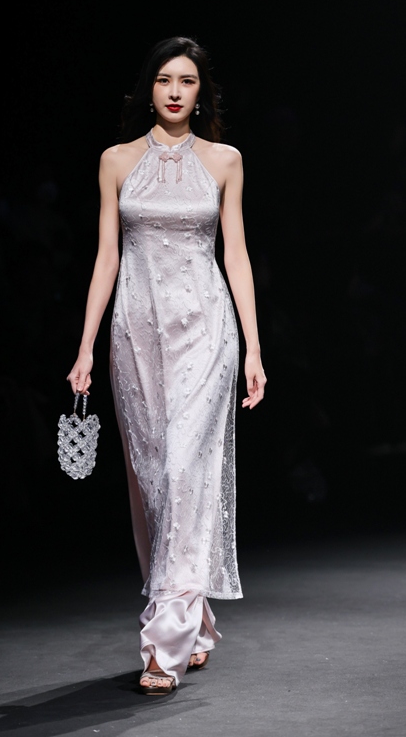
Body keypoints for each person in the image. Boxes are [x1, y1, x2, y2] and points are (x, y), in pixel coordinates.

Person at [67, 37, 266, 695]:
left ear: (201, 92)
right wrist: (85, 346)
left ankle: (165, 642)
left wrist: (254, 348)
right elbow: (106, 257)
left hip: (206, 332)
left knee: (184, 470)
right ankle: (194, 615)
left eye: (186, 80)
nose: (175, 91)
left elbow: (235, 254)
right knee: (152, 480)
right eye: (163, 80)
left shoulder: (225, 161)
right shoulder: (117, 161)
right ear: (147, 90)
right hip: (136, 333)